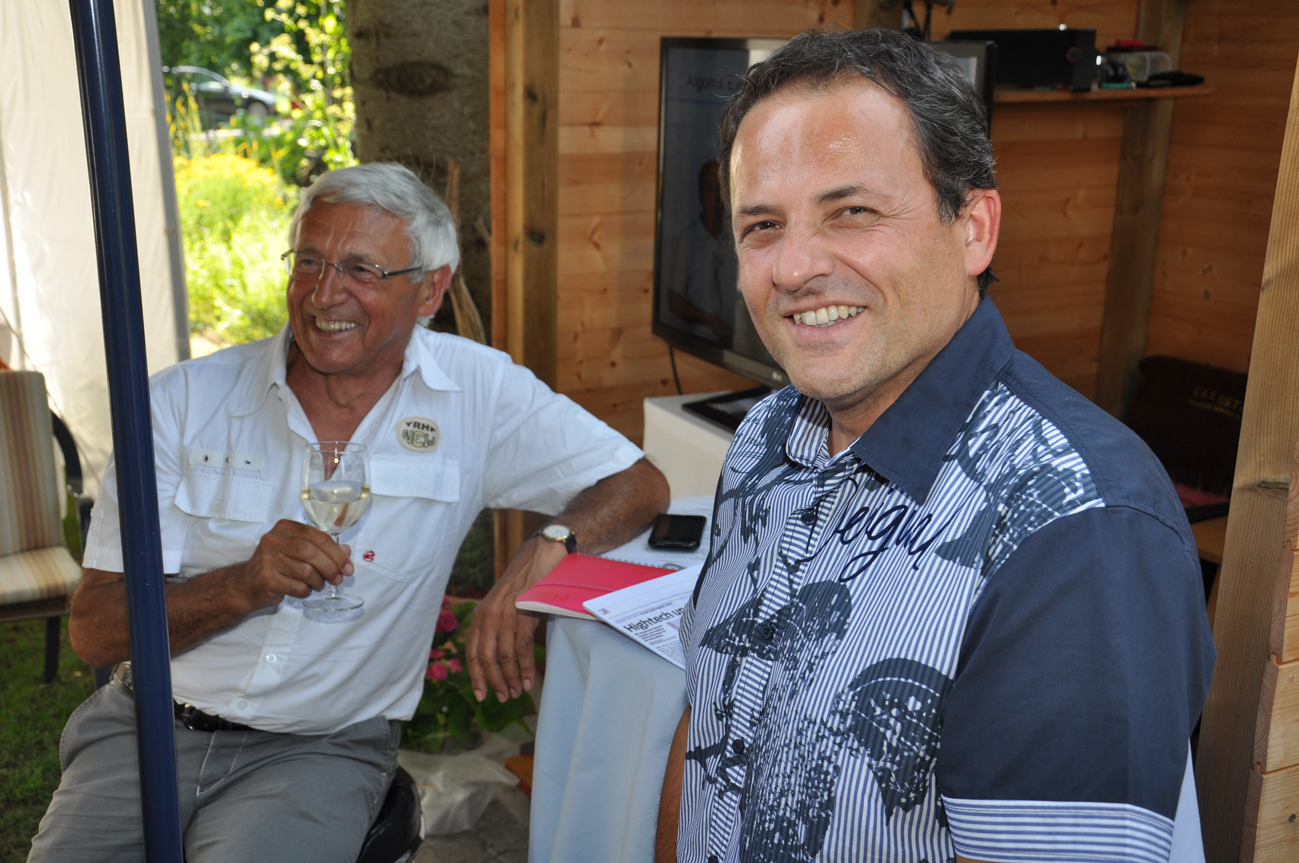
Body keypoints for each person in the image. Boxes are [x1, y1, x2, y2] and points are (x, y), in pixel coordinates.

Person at [655, 29, 1215, 863]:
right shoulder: (764, 437)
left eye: (851, 212)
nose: (793, 267)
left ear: (973, 229)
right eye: (762, 225)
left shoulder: (1079, 528)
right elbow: (708, 720)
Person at [29, 163, 668, 863]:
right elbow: (94, 629)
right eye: (309, 261)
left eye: (362, 269)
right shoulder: (180, 402)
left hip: (318, 749)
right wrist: (243, 585)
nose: (324, 293)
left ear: (430, 290)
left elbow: (638, 483)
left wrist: (550, 545)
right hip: (145, 727)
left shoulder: (477, 392)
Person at [665, 160, 737, 345]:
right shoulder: (688, 240)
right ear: (700, 194)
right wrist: (708, 320)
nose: (713, 195)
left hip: (738, 346)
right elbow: (674, 301)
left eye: (718, 188)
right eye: (708, 188)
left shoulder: (737, 237)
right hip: (701, 347)